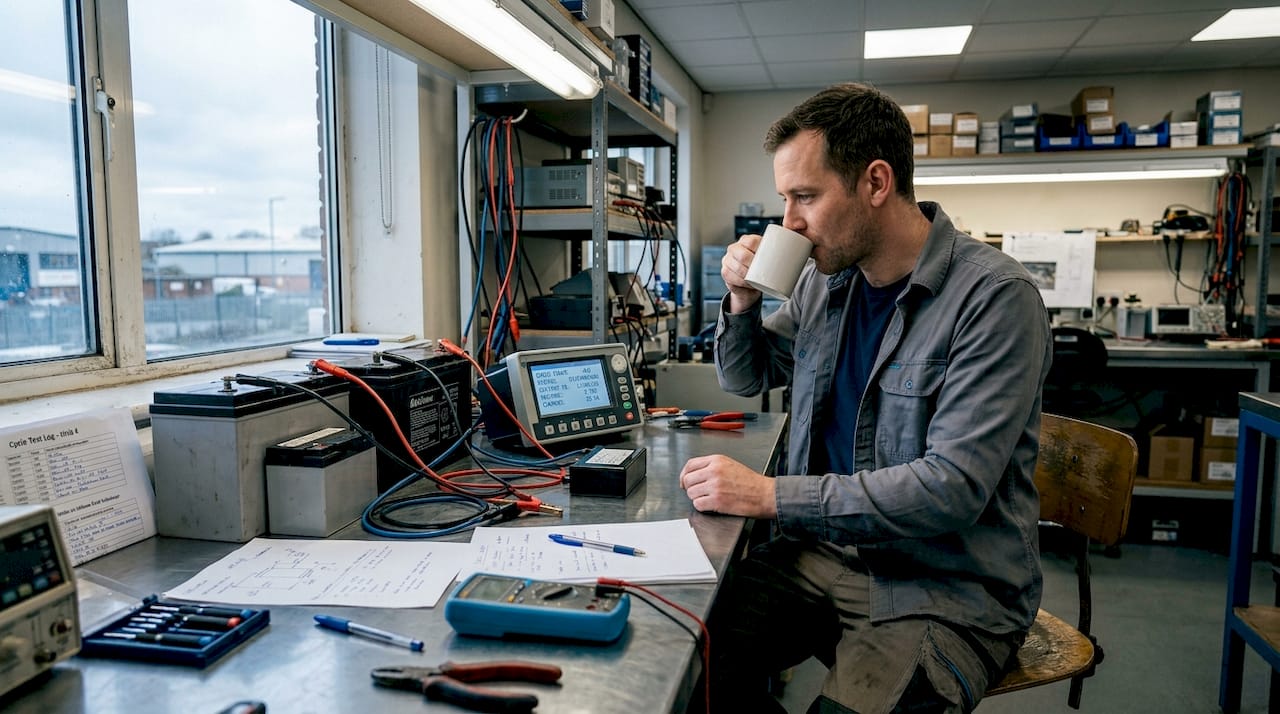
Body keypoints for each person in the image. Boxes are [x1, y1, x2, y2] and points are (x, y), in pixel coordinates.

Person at [678, 83, 1053, 714]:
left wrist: (771, 496)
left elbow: (951, 487)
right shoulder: (829, 284)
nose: (788, 221)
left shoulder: (994, 298)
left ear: (875, 183)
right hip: (824, 554)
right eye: (785, 199)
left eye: (805, 197)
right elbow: (748, 377)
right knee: (681, 665)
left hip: (943, 585)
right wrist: (742, 301)